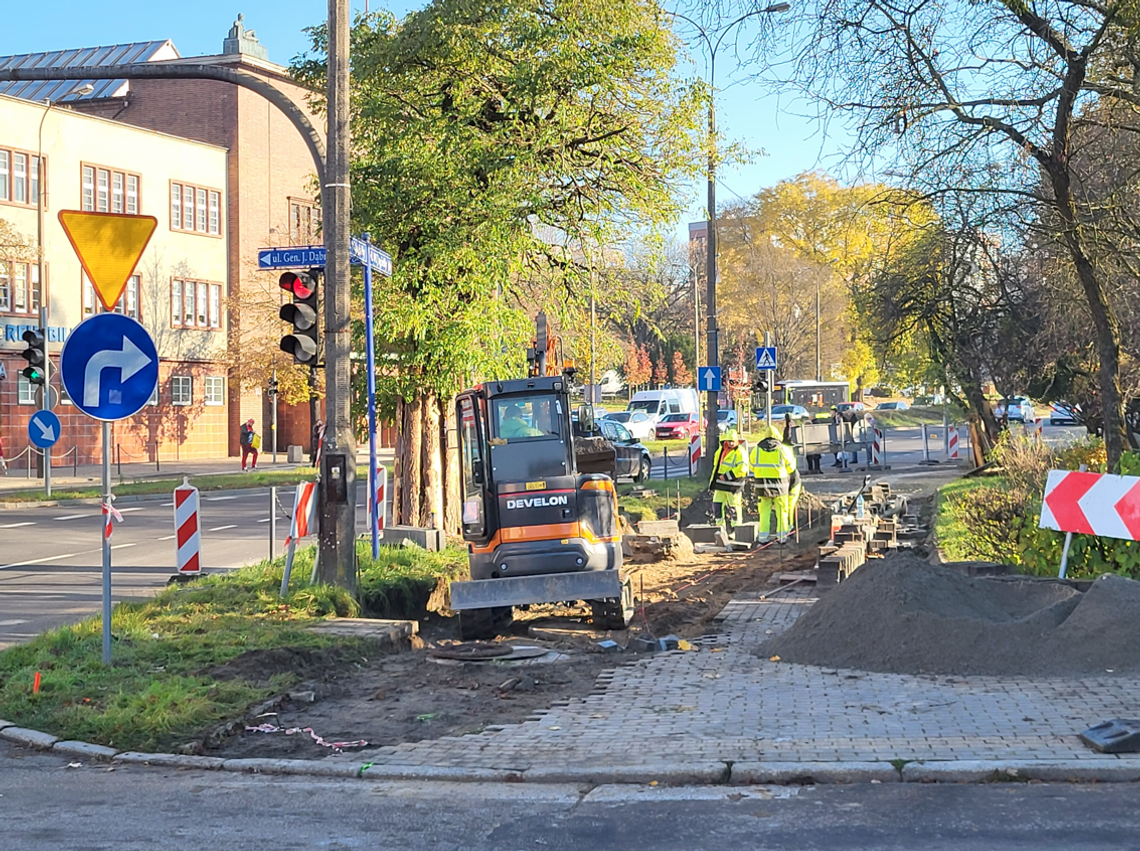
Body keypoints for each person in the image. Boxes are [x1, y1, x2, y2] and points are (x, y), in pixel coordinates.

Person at [749, 422, 802, 545]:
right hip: (780, 484)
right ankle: (782, 537)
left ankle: (763, 537)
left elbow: (751, 466)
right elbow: (791, 467)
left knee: (764, 511)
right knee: (782, 511)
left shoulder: (756, 449)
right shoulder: (783, 449)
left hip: (762, 484)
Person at [708, 428, 748, 530]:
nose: (731, 443)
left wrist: (726, 476)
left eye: (733, 441)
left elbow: (742, 469)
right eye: (729, 441)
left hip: (733, 485)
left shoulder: (740, 452)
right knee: (717, 505)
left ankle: (737, 529)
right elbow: (716, 467)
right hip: (720, 484)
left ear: (737, 441)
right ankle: (719, 527)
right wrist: (713, 482)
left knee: (734, 507)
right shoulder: (721, 450)